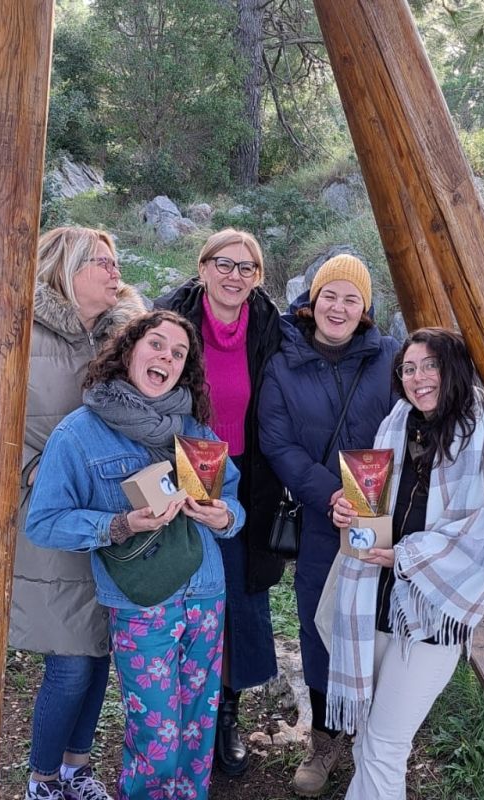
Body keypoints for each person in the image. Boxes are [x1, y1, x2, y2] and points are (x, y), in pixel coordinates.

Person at [26, 310, 246, 800]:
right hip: (141, 604)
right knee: (158, 743)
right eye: (156, 344)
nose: (166, 357)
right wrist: (120, 524)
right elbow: (43, 521)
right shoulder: (78, 433)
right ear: (129, 351)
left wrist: (224, 517)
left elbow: (232, 498)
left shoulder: (194, 430)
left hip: (206, 593)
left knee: (196, 735)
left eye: (178, 353)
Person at [326, 328, 484, 800]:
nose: (418, 378)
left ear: (453, 368)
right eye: (409, 369)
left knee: (384, 746)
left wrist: (406, 555)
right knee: (367, 738)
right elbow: (375, 502)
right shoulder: (398, 422)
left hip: (433, 611)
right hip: (375, 597)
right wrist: (347, 508)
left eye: (430, 365)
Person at [11, 226, 144, 800]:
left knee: (97, 652)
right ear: (66, 269)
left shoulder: (125, 333)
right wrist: (30, 470)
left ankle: (76, 770)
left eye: (116, 263)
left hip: (115, 512)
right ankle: (41, 781)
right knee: (69, 659)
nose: (116, 273)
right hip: (50, 510)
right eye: (102, 263)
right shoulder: (20, 331)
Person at [258, 253, 399, 797]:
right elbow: (277, 442)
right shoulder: (284, 363)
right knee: (320, 625)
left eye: (351, 298)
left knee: (380, 622)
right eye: (330, 296)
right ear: (312, 301)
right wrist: (328, 493)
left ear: (365, 308)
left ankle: (376, 735)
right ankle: (324, 738)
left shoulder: (390, 357)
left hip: (384, 517)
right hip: (323, 518)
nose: (338, 308)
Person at [155, 228, 284, 777]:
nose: (235, 276)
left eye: (246, 267)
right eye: (224, 264)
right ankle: (173, 712)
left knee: (237, 595)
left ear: (257, 278)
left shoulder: (269, 324)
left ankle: (224, 712)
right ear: (203, 266)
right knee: (181, 588)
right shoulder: (172, 316)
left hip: (246, 475)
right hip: (180, 463)